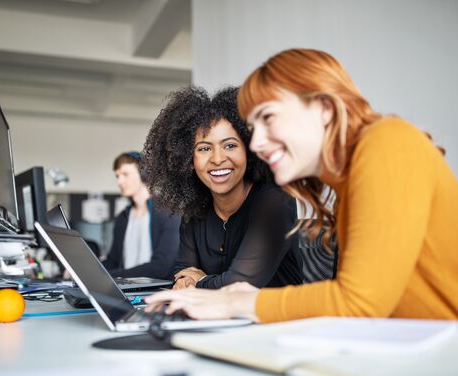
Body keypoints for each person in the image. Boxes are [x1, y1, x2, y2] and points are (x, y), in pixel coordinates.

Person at [146, 48, 458, 321]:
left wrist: (237, 301)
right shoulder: (350, 180)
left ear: (324, 107)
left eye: (269, 118)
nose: (258, 143)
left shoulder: (387, 143)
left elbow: (360, 302)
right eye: (254, 128)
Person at [142, 86, 307, 290]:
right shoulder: (195, 210)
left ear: (250, 150)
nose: (218, 159)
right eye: (204, 149)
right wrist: (186, 280)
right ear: (188, 159)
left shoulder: (275, 201)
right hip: (217, 318)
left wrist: (200, 281)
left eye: (229, 145)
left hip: (276, 320)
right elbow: (182, 270)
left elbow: (242, 284)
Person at [101, 151, 180, 279]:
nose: (119, 182)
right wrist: (86, 273)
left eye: (125, 174)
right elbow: (113, 261)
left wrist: (112, 277)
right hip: (125, 291)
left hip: (155, 292)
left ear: (144, 174)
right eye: (117, 176)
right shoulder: (122, 218)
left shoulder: (169, 213)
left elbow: (162, 267)